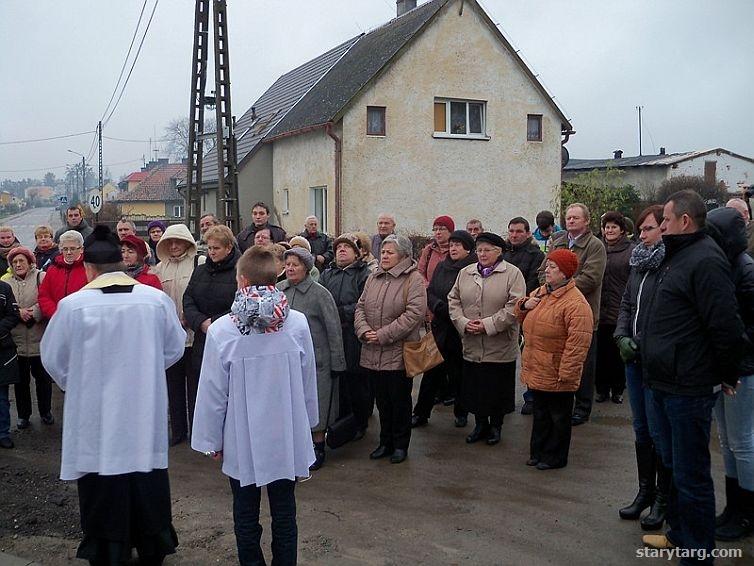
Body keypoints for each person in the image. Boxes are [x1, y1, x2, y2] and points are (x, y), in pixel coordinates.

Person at [40, 225, 186, 564]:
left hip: (95, 414)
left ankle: (108, 549)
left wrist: (79, 383)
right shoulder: (155, 301)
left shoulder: (74, 306)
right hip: (142, 409)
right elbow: (174, 347)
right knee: (145, 476)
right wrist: (145, 370)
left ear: (88, 269)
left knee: (101, 479)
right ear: (121, 264)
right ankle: (152, 545)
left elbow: (54, 359)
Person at [191, 245, 318, 566]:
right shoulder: (297, 323)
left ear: (242, 280)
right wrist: (309, 424)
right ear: (275, 278)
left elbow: (212, 392)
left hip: (241, 435)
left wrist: (211, 441)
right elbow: (307, 378)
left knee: (246, 513)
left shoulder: (222, 329)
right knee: (284, 511)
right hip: (286, 431)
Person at [639, 190, 744, 559]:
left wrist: (727, 373)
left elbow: (725, 324)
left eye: (665, 221)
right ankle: (681, 534)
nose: (660, 226)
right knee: (673, 465)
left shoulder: (705, 261)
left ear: (685, 221)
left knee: (692, 474)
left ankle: (698, 553)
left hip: (689, 386)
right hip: (663, 380)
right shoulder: (674, 257)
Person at [614, 205, 669, 531]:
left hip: (655, 361)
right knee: (641, 429)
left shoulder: (669, 264)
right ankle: (644, 491)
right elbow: (626, 304)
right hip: (632, 358)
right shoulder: (638, 263)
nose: (642, 236)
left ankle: (663, 497)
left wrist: (643, 343)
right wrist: (621, 335)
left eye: (648, 229)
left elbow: (666, 316)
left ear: (664, 228)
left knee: (660, 433)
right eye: (641, 230)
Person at [516, 249, 593, 470]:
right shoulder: (542, 292)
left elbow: (578, 344)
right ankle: (538, 452)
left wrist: (567, 374)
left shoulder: (576, 304)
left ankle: (555, 457)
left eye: (552, 267)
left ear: (565, 273)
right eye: (547, 266)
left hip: (558, 370)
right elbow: (519, 316)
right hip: (539, 366)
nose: (547, 270)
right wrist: (523, 305)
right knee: (540, 414)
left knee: (558, 417)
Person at [448, 232, 525, 446]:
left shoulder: (512, 273)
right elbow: (453, 300)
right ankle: (480, 424)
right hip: (472, 341)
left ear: (498, 252)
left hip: (499, 343)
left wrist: (488, 324)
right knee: (475, 386)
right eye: (479, 250)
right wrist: (463, 322)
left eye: (487, 250)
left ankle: (496, 426)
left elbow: (515, 306)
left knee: (496, 387)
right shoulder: (465, 272)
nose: (482, 254)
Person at [354, 234, 426, 464]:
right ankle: (385, 442)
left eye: (389, 252)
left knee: (399, 400)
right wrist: (364, 330)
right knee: (381, 401)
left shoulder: (413, 279)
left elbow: (414, 314)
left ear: (403, 256)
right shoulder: (374, 277)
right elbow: (361, 306)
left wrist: (383, 335)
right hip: (372, 350)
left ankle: (400, 444)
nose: (384, 256)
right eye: (383, 252)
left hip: (398, 352)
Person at [705, 207, 754, 541]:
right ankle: (733, 507)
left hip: (743, 370)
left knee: (743, 442)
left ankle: (748, 512)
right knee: (726, 441)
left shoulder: (746, 270)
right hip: (724, 366)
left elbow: (745, 327)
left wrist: (733, 367)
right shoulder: (724, 265)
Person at [278, 247, 346, 470]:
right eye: (287, 264)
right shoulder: (279, 291)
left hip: (317, 361)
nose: (290, 268)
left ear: (306, 268)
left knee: (317, 403)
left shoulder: (320, 294)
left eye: (295, 264)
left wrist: (337, 362)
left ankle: (318, 446)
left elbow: (333, 329)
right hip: (286, 361)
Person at [538, 203, 606, 426]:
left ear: (586, 221)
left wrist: (560, 288)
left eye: (576, 217)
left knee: (582, 363)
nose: (571, 221)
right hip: (553, 312)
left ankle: (583, 407)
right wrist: (548, 286)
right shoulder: (557, 240)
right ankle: (560, 400)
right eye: (568, 217)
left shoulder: (595, 245)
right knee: (557, 358)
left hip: (581, 312)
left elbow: (591, 278)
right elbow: (543, 271)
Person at [413, 230, 477, 428]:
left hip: (459, 330)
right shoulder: (442, 266)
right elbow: (430, 290)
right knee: (431, 372)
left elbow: (472, 299)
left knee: (460, 374)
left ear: (468, 248)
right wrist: (437, 305)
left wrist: (453, 312)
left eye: (458, 245)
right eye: (452, 245)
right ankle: (421, 413)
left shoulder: (472, 269)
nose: (453, 248)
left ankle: (461, 412)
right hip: (440, 327)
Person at [153, 223, 204, 446]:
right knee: (173, 387)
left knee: (195, 387)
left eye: (178, 241)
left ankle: (197, 431)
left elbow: (204, 295)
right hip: (171, 338)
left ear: (187, 242)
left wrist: (191, 317)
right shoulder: (159, 268)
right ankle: (178, 431)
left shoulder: (198, 263)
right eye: (169, 242)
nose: (174, 246)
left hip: (194, 336)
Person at [184, 225, 241, 421]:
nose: (211, 252)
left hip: (227, 341)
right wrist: (200, 322)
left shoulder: (239, 272)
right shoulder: (200, 271)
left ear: (228, 248)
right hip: (202, 338)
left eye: (216, 248)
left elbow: (239, 305)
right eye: (209, 248)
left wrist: (215, 323)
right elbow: (188, 299)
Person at [319, 234, 371, 439]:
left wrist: (339, 313)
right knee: (338, 381)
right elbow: (321, 298)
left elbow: (363, 303)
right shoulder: (327, 274)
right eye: (339, 247)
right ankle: (341, 422)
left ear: (356, 254)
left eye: (346, 247)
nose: (341, 250)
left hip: (352, 334)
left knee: (356, 380)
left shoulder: (363, 274)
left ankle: (360, 421)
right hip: (331, 334)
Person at [2, 247, 53, 430]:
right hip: (17, 342)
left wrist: (35, 311)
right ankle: (24, 415)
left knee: (43, 380)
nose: (18, 265)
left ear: (30, 262)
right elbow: (4, 306)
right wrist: (18, 312)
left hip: (39, 339)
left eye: (21, 261)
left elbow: (48, 297)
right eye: (14, 262)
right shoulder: (5, 281)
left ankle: (46, 411)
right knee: (21, 383)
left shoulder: (42, 277)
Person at [503, 217, 545, 416]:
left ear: (528, 233)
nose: (514, 235)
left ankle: (531, 396)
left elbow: (532, 284)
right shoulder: (503, 253)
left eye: (519, 231)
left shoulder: (535, 255)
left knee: (529, 356)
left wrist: (516, 301)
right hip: (503, 311)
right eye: (511, 231)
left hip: (526, 310)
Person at [596, 212, 635, 404]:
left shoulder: (631, 250)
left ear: (622, 230)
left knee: (617, 354)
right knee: (600, 353)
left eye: (613, 227)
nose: (609, 230)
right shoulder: (598, 248)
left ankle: (618, 389)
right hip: (599, 309)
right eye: (607, 227)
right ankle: (601, 389)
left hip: (620, 309)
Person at [38, 230, 88, 319]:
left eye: (72, 248)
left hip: (82, 320)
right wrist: (56, 314)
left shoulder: (89, 269)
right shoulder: (52, 269)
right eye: (65, 249)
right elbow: (44, 296)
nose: (68, 252)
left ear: (81, 249)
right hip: (56, 319)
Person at [0, 278, 20, 449]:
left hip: (2, 349)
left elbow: (13, 316)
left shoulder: (4, 288)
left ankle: (3, 432)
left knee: (1, 397)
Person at [418, 215, 454, 285]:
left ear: (450, 231)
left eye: (441, 229)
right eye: (435, 229)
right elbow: (420, 271)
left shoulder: (455, 250)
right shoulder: (428, 250)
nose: (438, 232)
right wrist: (426, 284)